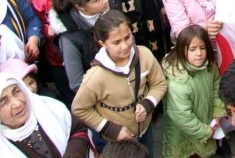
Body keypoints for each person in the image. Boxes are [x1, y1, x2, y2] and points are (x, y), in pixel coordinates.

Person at [71, 10, 167, 151]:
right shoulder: (96, 77)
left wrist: (148, 104)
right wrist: (112, 130)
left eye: (127, 37)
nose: (125, 46)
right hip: (116, 142)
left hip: (145, 131)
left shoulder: (144, 55)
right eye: (116, 42)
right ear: (102, 43)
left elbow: (159, 83)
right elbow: (79, 108)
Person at [0, 72, 91, 157]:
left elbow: (77, 130)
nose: (17, 103)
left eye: (16, 92)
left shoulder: (48, 107)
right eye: (4, 102)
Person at [161, 24, 225, 158]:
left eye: (202, 48)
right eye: (193, 49)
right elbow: (182, 117)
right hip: (183, 135)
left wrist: (217, 110)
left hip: (205, 124)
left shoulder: (209, 66)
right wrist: (206, 132)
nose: (199, 54)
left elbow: (216, 88)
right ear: (181, 50)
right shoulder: (178, 82)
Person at [30, 0, 76, 105]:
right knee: (70, 95)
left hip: (83, 50)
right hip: (57, 57)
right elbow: (37, 22)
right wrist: (46, 29)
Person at [49, 0, 109, 93]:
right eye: (97, 0)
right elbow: (77, 83)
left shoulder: (110, 7)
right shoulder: (69, 38)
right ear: (81, 7)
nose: (105, 0)